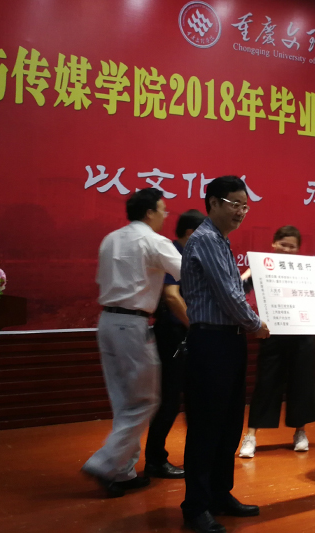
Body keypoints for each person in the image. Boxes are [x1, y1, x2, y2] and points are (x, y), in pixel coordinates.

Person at [180, 176, 270, 533]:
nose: (241, 212)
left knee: (229, 423)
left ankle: (220, 494)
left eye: (245, 206)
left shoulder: (220, 240)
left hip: (229, 342)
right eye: (235, 204)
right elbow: (229, 298)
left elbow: (232, 290)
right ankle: (196, 507)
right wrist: (256, 324)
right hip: (210, 343)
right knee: (206, 426)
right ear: (214, 202)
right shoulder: (205, 239)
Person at [81, 188, 182, 498]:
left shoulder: (110, 239)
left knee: (124, 401)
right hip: (132, 324)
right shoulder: (154, 241)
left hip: (107, 322)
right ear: (149, 212)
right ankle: (104, 463)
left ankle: (123, 472)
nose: (165, 215)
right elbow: (188, 272)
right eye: (163, 210)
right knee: (145, 401)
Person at [238, 226, 315, 458]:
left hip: (302, 333)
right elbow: (238, 290)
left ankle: (300, 432)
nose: (287, 250)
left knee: (301, 383)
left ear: (298, 248)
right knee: (265, 383)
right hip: (272, 333)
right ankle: (250, 436)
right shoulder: (261, 266)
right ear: (274, 243)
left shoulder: (305, 269)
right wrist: (249, 274)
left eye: (292, 246)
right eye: (283, 244)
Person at [143, 209, 206, 479]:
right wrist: (196, 325)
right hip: (173, 334)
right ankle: (155, 460)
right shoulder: (172, 253)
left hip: (185, 334)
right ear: (191, 233)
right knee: (168, 400)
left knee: (189, 397)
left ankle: (193, 456)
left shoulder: (190, 255)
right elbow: (171, 296)